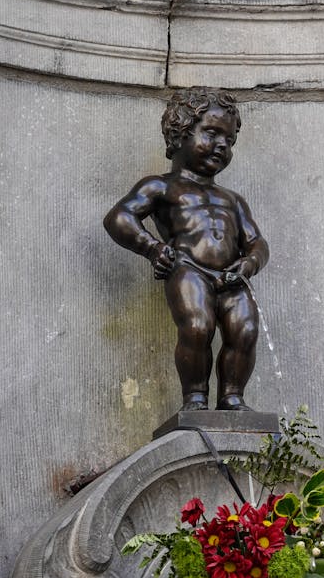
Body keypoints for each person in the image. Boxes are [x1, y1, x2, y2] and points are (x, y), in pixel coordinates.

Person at [104, 89, 269, 412]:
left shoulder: (233, 200)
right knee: (197, 326)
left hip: (232, 276)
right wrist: (152, 248)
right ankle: (194, 398)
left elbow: (257, 243)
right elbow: (119, 218)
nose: (223, 144)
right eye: (212, 132)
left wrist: (249, 264)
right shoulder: (161, 186)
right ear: (180, 133)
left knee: (246, 329)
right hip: (188, 268)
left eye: (230, 140)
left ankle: (232, 397)